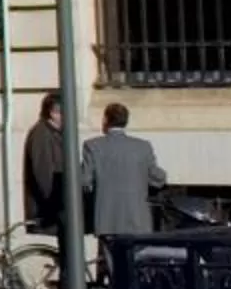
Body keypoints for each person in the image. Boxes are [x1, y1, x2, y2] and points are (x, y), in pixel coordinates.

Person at [82, 103, 168, 259]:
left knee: (112, 264)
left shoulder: (92, 146)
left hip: (107, 220)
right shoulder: (143, 147)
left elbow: (85, 180)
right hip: (137, 219)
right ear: (126, 121)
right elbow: (158, 178)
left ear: (105, 120)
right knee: (136, 263)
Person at [22, 93, 67, 235]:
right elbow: (43, 174)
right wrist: (58, 205)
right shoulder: (41, 134)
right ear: (54, 113)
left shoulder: (54, 133)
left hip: (54, 210)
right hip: (48, 211)